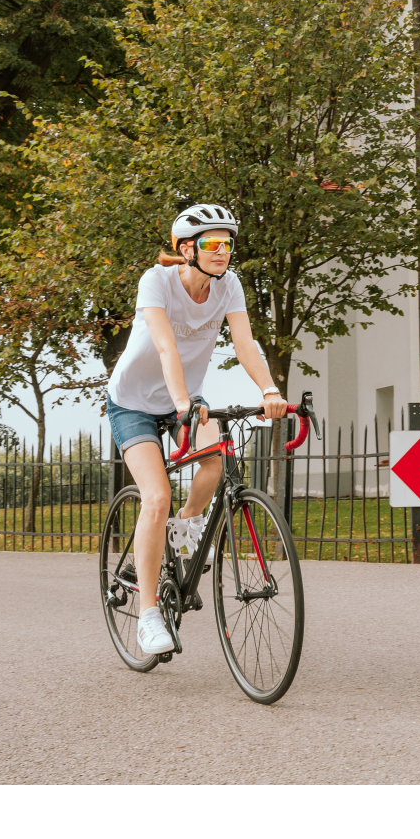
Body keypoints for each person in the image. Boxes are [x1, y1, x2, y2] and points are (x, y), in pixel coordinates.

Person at [104, 203, 286, 656]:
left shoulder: (230, 287)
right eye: (211, 243)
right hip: (134, 404)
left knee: (216, 463)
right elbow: (166, 347)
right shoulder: (157, 281)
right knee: (157, 495)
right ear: (186, 249)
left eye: (227, 243)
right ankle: (148, 615)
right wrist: (183, 402)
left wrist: (269, 388)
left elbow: (245, 343)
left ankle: (183, 529)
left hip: (187, 401)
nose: (222, 251)